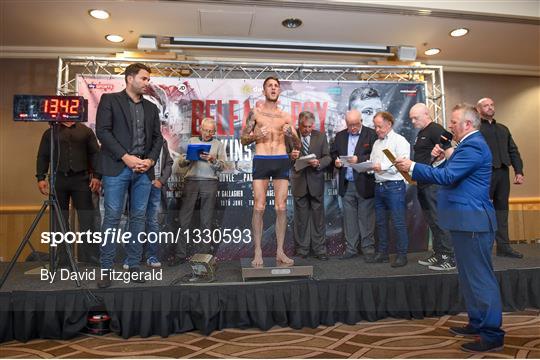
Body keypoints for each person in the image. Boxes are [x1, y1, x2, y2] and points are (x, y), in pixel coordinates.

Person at [395, 103, 504, 353]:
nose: (449, 126)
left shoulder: (474, 145)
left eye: (454, 122)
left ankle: (492, 333)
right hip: (464, 222)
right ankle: (478, 323)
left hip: (473, 222)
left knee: (480, 279)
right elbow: (442, 172)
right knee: (468, 278)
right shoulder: (463, 146)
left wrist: (411, 166)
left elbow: (447, 178)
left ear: (467, 124)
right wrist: (441, 157)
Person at [95, 62, 164, 288]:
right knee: (112, 218)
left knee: (138, 219)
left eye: (148, 79)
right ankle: (105, 269)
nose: (147, 83)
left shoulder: (152, 108)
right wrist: (126, 157)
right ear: (130, 78)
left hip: (143, 171)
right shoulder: (109, 100)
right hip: (117, 168)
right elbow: (103, 132)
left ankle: (133, 265)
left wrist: (151, 160)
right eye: (144, 78)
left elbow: (157, 139)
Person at [240, 76, 301, 267]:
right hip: (262, 159)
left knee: (281, 207)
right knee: (259, 207)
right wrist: (256, 135)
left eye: (276, 86)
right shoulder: (256, 114)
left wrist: (292, 136)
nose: (273, 88)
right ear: (264, 90)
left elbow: (297, 144)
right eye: (270, 86)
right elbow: (243, 139)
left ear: (279, 91)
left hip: (281, 159)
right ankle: (257, 251)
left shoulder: (286, 116)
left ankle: (280, 252)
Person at [36, 121, 101, 265]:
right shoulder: (50, 132)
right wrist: (41, 177)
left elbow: (95, 154)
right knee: (60, 219)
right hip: (58, 179)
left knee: (87, 219)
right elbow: (43, 155)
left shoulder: (86, 131)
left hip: (81, 179)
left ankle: (89, 255)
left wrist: (97, 176)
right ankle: (64, 257)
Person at [167, 118, 226, 266]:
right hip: (191, 181)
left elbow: (223, 166)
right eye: (206, 130)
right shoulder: (192, 141)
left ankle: (204, 256)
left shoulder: (218, 144)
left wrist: (213, 160)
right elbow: (180, 163)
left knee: (206, 221)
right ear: (201, 128)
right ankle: (180, 254)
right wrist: (188, 159)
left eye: (211, 131)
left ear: (215, 131)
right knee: (184, 220)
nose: (208, 133)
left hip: (210, 182)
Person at [409, 103, 455, 271]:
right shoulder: (422, 132)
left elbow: (449, 149)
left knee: (439, 220)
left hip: (434, 183)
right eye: (411, 119)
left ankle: (450, 257)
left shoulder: (435, 129)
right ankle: (439, 253)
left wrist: (442, 156)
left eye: (416, 118)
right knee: (432, 221)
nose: (413, 121)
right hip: (423, 182)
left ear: (426, 114)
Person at [477, 97, 524, 258]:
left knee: (502, 210)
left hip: (503, 174)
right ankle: (484, 247)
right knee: (484, 212)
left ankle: (504, 247)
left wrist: (519, 171)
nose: (490, 107)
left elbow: (513, 151)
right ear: (479, 110)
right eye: (486, 105)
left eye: (492, 104)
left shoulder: (503, 129)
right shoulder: (476, 130)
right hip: (484, 174)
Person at [331, 109, 377, 260]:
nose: (352, 128)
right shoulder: (340, 136)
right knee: (349, 218)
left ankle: (368, 249)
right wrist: (336, 162)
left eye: (355, 124)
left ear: (361, 121)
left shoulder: (371, 134)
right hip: (346, 183)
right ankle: (351, 249)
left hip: (365, 182)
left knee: (366, 218)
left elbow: (376, 155)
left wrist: (360, 159)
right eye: (350, 125)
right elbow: (333, 154)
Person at [368, 111, 410, 267]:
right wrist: (367, 167)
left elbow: (403, 163)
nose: (377, 129)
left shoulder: (400, 141)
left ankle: (402, 255)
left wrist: (382, 166)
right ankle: (383, 253)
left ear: (389, 124)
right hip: (378, 186)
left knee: (398, 222)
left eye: (379, 126)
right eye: (375, 127)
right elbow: (373, 162)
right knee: (380, 223)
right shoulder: (376, 143)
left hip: (394, 186)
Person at [288, 111, 332, 260]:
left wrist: (318, 162)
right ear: (299, 124)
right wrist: (291, 157)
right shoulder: (290, 137)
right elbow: (283, 159)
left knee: (318, 219)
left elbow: (328, 157)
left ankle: (320, 250)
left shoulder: (320, 136)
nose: (307, 129)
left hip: (315, 182)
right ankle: (302, 250)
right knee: (301, 219)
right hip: (299, 182)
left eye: (310, 126)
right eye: (304, 126)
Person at [144, 139, 173, 268]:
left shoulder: (162, 140)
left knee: (154, 222)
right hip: (139, 184)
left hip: (155, 186)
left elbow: (169, 162)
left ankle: (152, 256)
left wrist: (161, 181)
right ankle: (132, 258)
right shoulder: (135, 136)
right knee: (134, 220)